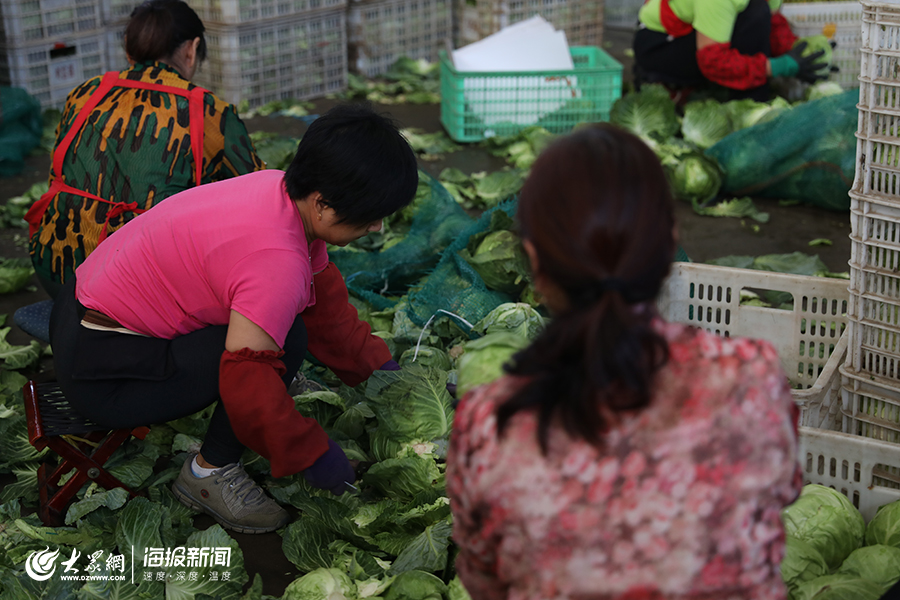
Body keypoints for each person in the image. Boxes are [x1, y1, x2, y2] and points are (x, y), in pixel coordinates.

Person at [445, 124, 803, 599]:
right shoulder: (752, 379)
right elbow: (781, 496)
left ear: (535, 263)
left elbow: (484, 579)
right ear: (669, 242)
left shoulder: (490, 425)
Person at [49, 103, 417, 534]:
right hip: (104, 375)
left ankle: (237, 436)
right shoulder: (276, 259)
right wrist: (313, 455)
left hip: (75, 312)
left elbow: (326, 308)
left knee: (286, 329)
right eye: (370, 215)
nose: (376, 227)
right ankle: (207, 473)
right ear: (322, 204)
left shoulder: (277, 190)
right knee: (282, 345)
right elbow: (248, 386)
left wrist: (386, 376)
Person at [26, 0, 265, 299]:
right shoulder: (209, 112)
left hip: (57, 269)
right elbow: (262, 199)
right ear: (191, 50)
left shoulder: (85, 93)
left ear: (128, 47)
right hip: (136, 286)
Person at [632, 0, 828, 101]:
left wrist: (798, 50)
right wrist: (776, 67)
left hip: (698, 34)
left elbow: (772, 25)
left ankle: (746, 96)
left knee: (757, 13)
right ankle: (749, 103)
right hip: (659, 45)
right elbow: (712, 61)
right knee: (755, 13)